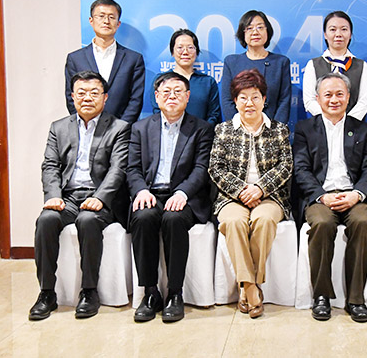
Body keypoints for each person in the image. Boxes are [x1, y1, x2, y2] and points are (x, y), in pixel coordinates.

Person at [29, 71, 130, 321]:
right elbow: (50, 165)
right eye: (81, 93)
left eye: (94, 93)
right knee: (46, 220)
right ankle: (46, 293)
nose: (87, 98)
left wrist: (100, 197)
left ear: (105, 97)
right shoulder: (59, 127)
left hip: (101, 198)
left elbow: (118, 169)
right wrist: (53, 195)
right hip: (68, 198)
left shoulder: (119, 128)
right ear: (72, 97)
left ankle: (89, 291)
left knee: (88, 220)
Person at [128, 72, 215, 323]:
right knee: (143, 217)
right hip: (151, 193)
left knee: (174, 219)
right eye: (166, 92)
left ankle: (175, 293)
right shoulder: (141, 128)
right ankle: (151, 293)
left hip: (184, 196)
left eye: (178, 91)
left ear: (188, 97)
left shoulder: (201, 129)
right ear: (156, 97)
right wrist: (141, 190)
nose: (172, 96)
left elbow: (201, 169)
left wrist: (182, 192)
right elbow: (132, 168)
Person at [293, 72, 367, 323]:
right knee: (322, 223)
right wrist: (321, 196)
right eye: (328, 94)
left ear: (349, 97)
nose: (334, 100)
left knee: (362, 222)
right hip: (321, 197)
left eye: (339, 94)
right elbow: (301, 169)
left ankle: (356, 299)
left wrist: (356, 194)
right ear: (318, 98)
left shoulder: (362, 129)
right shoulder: (305, 129)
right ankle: (321, 296)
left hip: (354, 195)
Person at [209, 69, 292, 319]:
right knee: (234, 222)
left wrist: (260, 188)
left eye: (255, 97)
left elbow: (286, 165)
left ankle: (247, 287)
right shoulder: (224, 130)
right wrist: (242, 190)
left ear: (264, 100)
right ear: (235, 101)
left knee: (264, 220)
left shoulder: (279, 130)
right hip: (232, 197)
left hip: (270, 196)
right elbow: (215, 168)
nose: (249, 103)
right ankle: (251, 286)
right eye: (243, 98)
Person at [65, 0, 145, 123]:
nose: (106, 21)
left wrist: (121, 128)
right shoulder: (75, 59)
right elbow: (71, 97)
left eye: (111, 17)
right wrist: (86, 124)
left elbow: (136, 100)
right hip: (87, 128)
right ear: (91, 21)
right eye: (101, 16)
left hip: (122, 130)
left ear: (118, 23)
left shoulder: (133, 59)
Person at [220, 10, 292, 123]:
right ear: (242, 33)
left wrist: (276, 129)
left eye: (260, 27)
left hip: (272, 128)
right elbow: (227, 100)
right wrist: (239, 127)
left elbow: (284, 100)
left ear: (267, 31)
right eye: (249, 28)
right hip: (240, 129)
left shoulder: (280, 62)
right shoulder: (232, 62)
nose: (255, 32)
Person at [302, 11, 367, 121]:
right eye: (333, 29)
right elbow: (309, 100)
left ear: (350, 34)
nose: (338, 34)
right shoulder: (313, 65)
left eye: (344, 29)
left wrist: (346, 123)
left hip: (354, 127)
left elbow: (363, 102)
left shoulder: (361, 66)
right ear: (325, 34)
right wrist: (328, 120)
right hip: (321, 126)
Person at [167, 29, 221, 125]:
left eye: (190, 47)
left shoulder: (208, 82)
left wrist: (202, 131)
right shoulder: (162, 81)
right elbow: (158, 113)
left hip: (202, 133)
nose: (185, 52)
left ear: (196, 52)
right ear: (172, 52)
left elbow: (214, 114)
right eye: (180, 47)